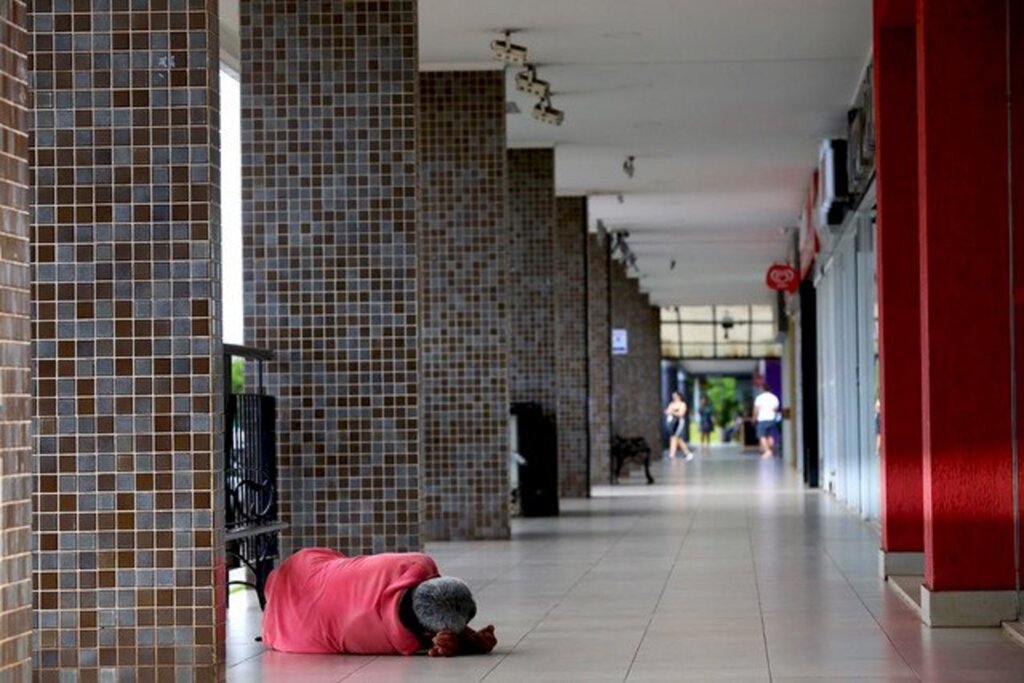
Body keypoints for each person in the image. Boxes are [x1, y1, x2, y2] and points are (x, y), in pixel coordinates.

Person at [262, 548, 497, 657]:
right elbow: (424, 642)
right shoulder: (394, 641)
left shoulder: (417, 563)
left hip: (301, 568)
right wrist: (467, 640)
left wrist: (464, 635)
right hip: (282, 626)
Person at [664, 391, 694, 461]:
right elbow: (667, 411)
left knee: (675, 437)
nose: (674, 397)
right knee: (674, 437)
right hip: (671, 422)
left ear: (679, 396)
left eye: (675, 396)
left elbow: (681, 414)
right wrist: (671, 412)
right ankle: (681, 453)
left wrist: (673, 412)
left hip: (678, 422)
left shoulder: (682, 404)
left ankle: (675, 454)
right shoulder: (671, 404)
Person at [753, 384, 780, 458]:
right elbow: (776, 409)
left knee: (762, 436)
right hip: (771, 418)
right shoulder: (774, 397)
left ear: (762, 389)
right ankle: (771, 450)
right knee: (770, 435)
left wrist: (754, 418)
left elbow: (756, 409)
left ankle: (768, 451)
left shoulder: (759, 398)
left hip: (762, 419)